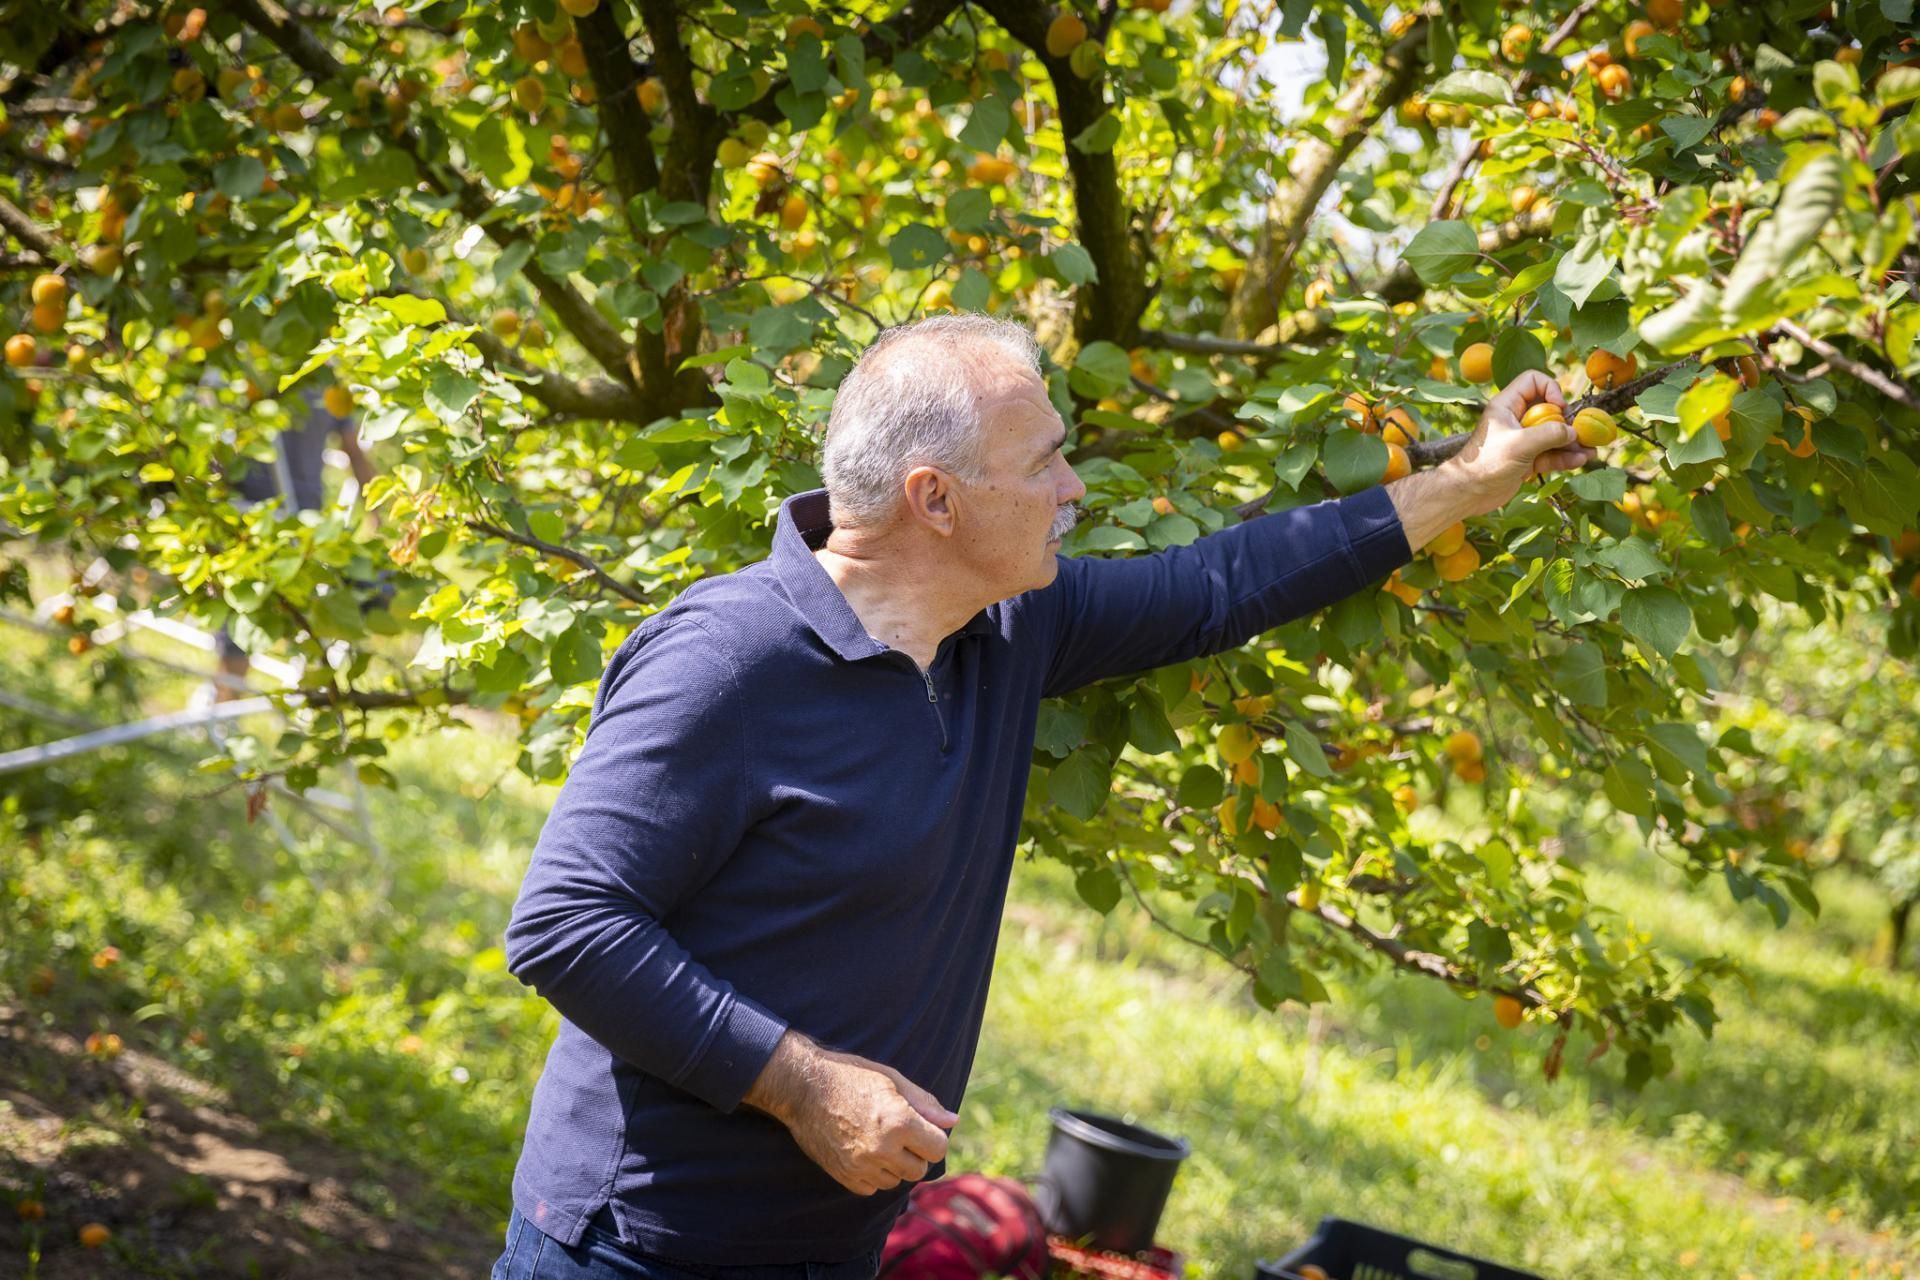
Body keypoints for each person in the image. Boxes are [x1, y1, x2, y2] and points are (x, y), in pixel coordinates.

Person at [495, 315, 1592, 1280]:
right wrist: (802, 1084)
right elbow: (566, 922)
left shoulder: (1006, 631)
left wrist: (1473, 476)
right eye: (1047, 462)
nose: (1075, 489)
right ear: (936, 498)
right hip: (638, 1244)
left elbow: (1222, 584)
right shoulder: (730, 662)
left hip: (832, 1239)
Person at [211, 379, 377, 692]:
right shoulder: (323, 383)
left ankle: (226, 706)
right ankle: (227, 707)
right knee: (250, 617)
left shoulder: (260, 370)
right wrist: (378, 512)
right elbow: (354, 451)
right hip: (289, 517)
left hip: (264, 515)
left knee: (246, 614)